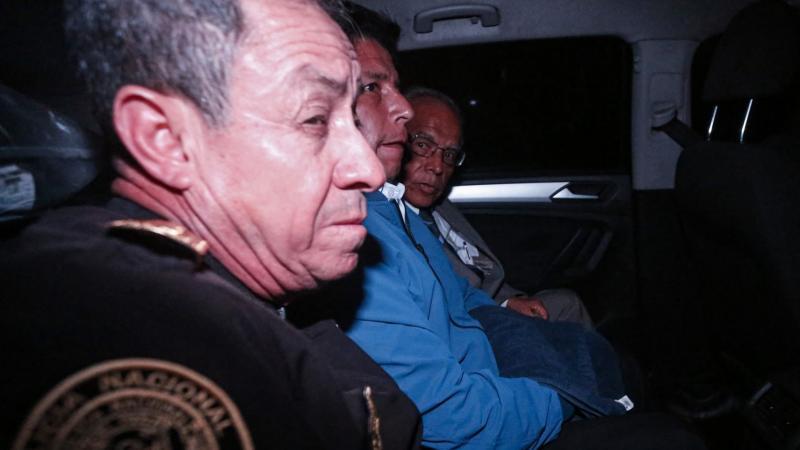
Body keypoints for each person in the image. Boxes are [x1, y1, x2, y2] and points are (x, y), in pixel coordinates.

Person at [0, 0, 422, 449]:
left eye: (352, 119)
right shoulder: (136, 326)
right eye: (315, 119)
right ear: (163, 139)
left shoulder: (238, 294)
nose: (368, 169)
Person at [289, 3, 707, 450]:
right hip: (482, 414)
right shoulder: (350, 236)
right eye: (373, 87)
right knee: (672, 437)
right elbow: (451, 416)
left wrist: (506, 311)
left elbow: (455, 291)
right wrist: (560, 397)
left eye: (450, 154)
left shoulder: (394, 208)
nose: (404, 109)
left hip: (490, 375)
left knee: (614, 366)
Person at [401, 87, 593, 329]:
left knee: (567, 303)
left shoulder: (439, 206)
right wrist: (501, 307)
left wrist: (509, 300)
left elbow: (482, 272)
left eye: (449, 154)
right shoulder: (389, 216)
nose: (438, 166)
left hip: (491, 303)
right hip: (465, 322)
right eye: (422, 145)